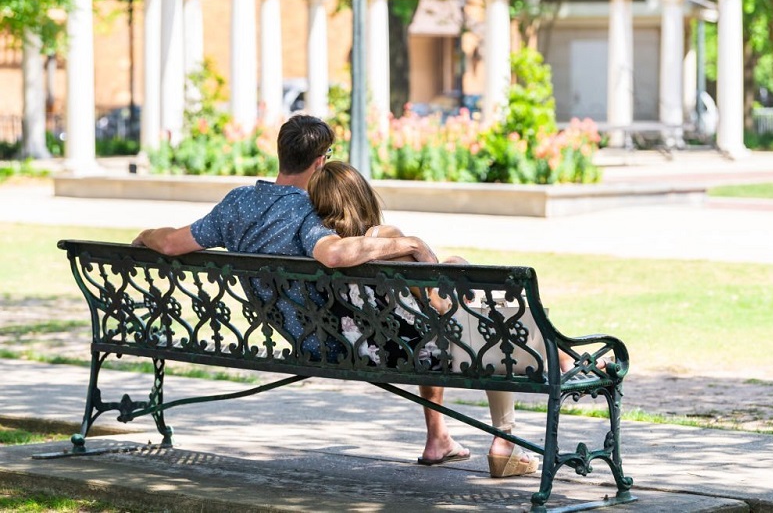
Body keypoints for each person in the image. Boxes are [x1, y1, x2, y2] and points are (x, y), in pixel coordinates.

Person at [132, 114, 438, 357]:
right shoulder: (308, 211)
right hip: (329, 339)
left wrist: (146, 234)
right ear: (320, 162)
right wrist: (410, 243)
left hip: (285, 332)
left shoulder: (237, 203)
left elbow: (171, 243)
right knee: (390, 241)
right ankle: (437, 432)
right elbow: (333, 254)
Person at [307, 160, 538, 478]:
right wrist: (456, 266)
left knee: (432, 329)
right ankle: (505, 440)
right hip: (411, 352)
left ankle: (437, 440)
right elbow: (438, 304)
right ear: (363, 197)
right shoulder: (384, 238)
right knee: (497, 331)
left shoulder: (319, 248)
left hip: (359, 351)